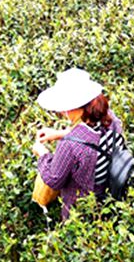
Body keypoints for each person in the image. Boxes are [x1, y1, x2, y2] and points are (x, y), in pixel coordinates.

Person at [32, 68, 125, 221]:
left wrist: (42, 154)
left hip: (82, 212)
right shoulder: (110, 118)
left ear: (75, 106)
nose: (62, 111)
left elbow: (54, 179)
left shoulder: (69, 145)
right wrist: (59, 133)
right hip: (112, 195)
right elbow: (92, 137)